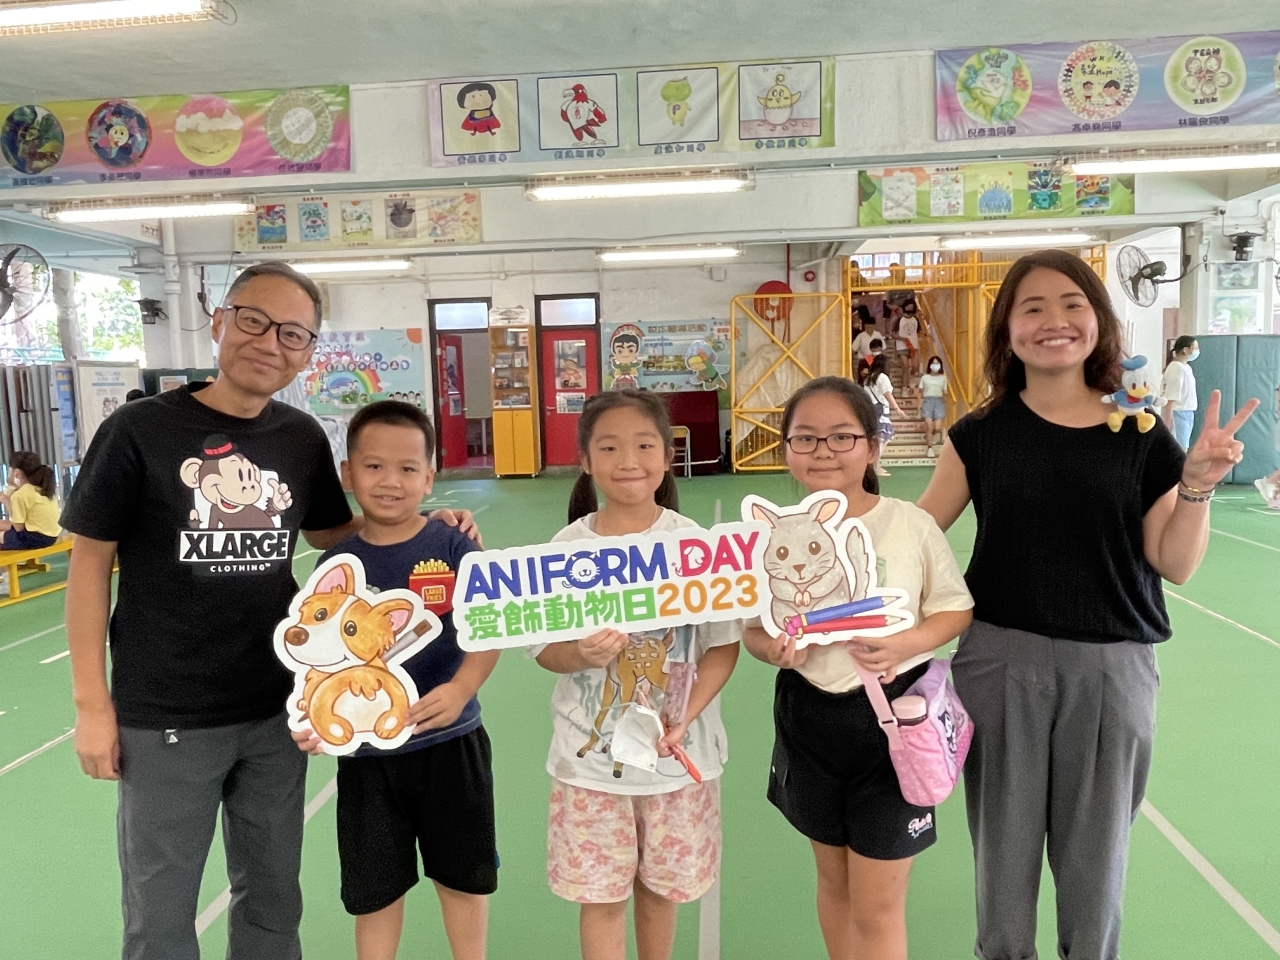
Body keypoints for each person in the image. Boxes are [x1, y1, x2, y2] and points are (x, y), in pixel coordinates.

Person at [60, 260, 478, 960]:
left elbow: (331, 533)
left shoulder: (299, 436)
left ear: (308, 350)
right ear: (219, 322)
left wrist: (426, 526)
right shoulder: (139, 430)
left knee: (273, 898)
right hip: (167, 716)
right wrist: (91, 705)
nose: (269, 343)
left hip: (279, 712)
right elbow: (89, 563)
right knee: (161, 911)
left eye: (293, 333)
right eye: (253, 320)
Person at [917, 249, 1258, 960]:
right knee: (1002, 874)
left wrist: (1196, 483)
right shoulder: (979, 435)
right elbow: (914, 540)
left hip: (1112, 671)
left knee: (1095, 873)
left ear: (1098, 321)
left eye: (1072, 304)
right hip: (999, 665)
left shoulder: (1139, 433)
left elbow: (1175, 563)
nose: (1055, 321)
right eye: (1032, 307)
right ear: (1007, 328)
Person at [743, 376, 973, 960]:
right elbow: (752, 629)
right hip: (807, 719)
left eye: (842, 436)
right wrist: (772, 650)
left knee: (877, 906)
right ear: (786, 449)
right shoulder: (766, 538)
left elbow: (955, 609)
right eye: (805, 437)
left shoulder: (909, 523)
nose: (823, 450)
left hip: (893, 723)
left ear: (872, 446)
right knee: (834, 884)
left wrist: (904, 643)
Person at [533, 390, 740, 960]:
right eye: (609, 447)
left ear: (668, 456)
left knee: (661, 892)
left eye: (645, 445)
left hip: (675, 762)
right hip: (589, 767)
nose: (629, 460)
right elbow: (544, 650)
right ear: (585, 460)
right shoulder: (564, 549)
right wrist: (582, 654)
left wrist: (683, 717)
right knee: (600, 901)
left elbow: (723, 647)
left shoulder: (696, 546)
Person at [292, 401, 498, 960]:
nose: (390, 481)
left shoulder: (453, 545)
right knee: (375, 891)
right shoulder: (336, 566)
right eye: (374, 466)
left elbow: (489, 629)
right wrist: (315, 717)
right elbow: (317, 659)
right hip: (367, 759)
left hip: (452, 743)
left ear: (429, 477)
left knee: (464, 878)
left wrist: (461, 689)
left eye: (408, 469)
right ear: (348, 474)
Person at [0, 450, 61, 549]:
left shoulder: (20, 495)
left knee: (2, 536)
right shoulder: (41, 488)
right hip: (52, 536)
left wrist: (7, 502)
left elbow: (18, 527)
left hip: (34, 538)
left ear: (17, 474)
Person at [863, 354, 904, 477]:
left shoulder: (868, 378)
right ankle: (876, 467)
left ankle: (875, 465)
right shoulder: (883, 377)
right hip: (881, 412)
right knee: (882, 441)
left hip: (871, 410)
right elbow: (887, 394)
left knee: (876, 440)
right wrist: (897, 408)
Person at [1160, 335, 1199, 450]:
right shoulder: (1176, 368)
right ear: (1185, 350)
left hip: (1187, 411)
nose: (1197, 351)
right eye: (1195, 348)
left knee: (1183, 447)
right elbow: (1170, 397)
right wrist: (1167, 422)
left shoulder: (1186, 368)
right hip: (1178, 412)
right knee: (1179, 449)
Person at [919, 356, 948, 456]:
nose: (935, 365)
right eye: (933, 363)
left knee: (937, 427)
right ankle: (929, 448)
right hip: (927, 401)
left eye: (937, 363)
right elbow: (920, 392)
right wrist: (919, 405)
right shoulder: (924, 378)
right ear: (930, 365)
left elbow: (945, 391)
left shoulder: (943, 378)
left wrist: (946, 398)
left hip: (939, 401)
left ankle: (929, 435)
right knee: (929, 425)